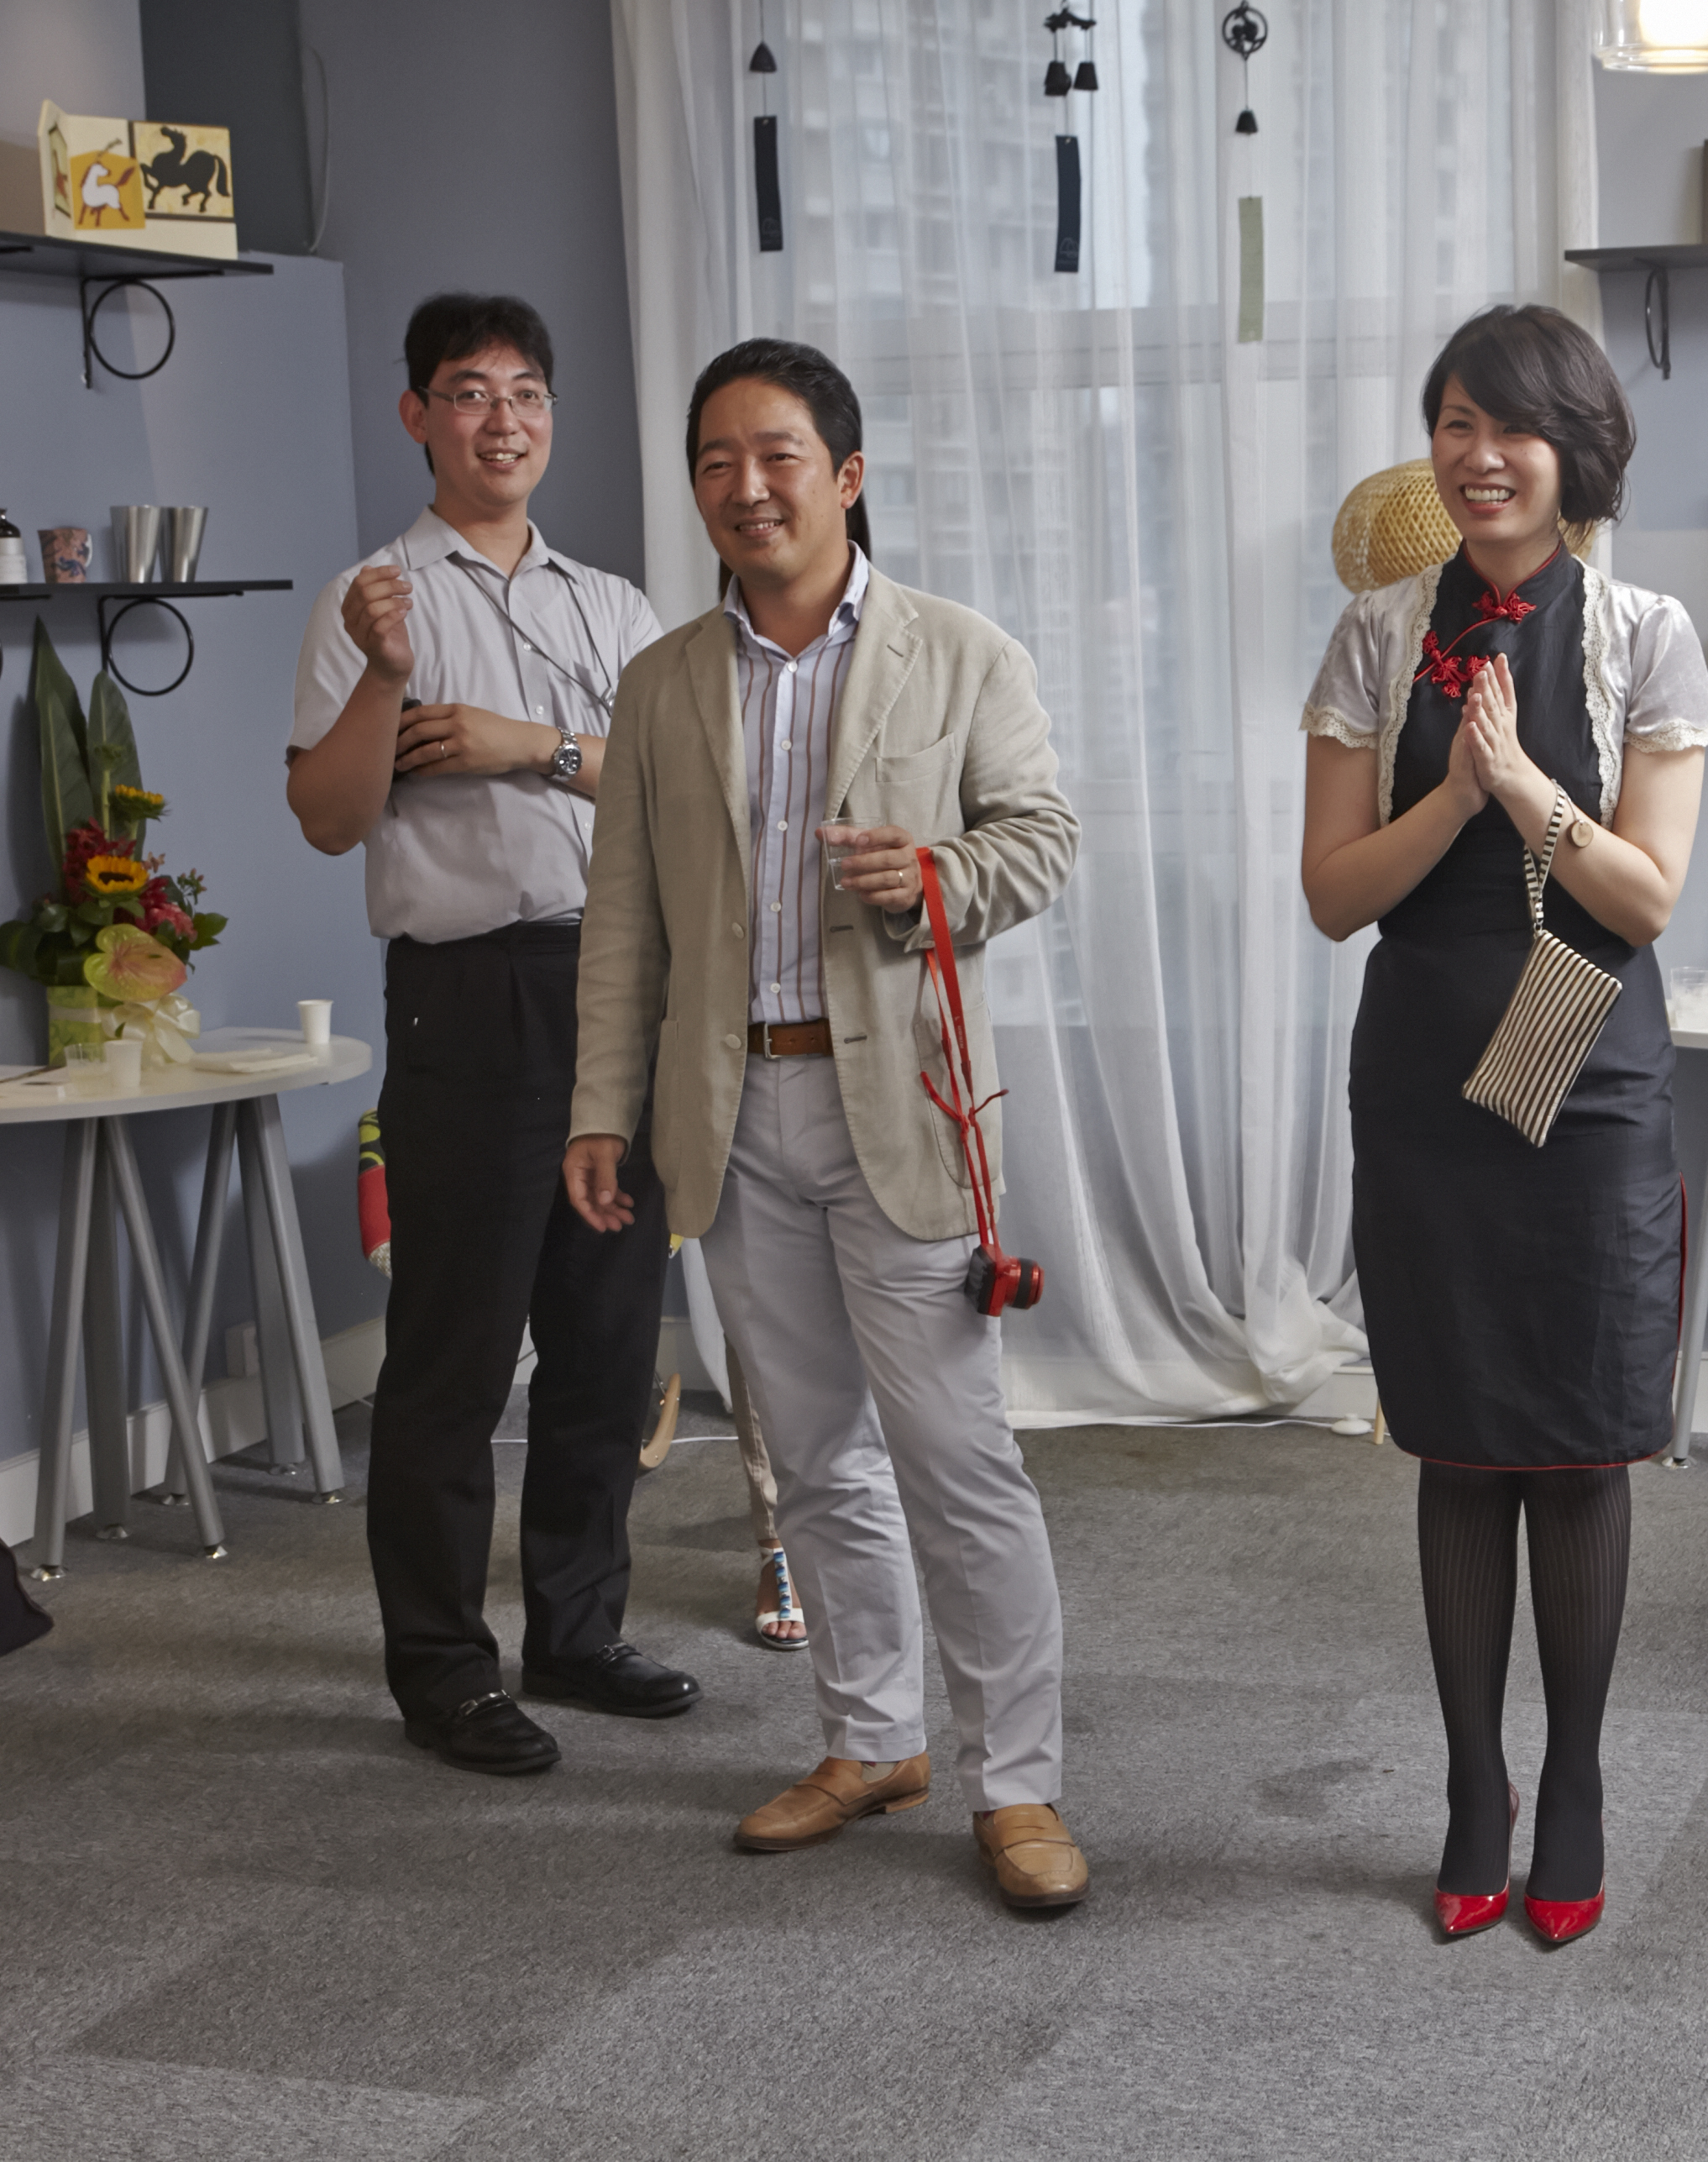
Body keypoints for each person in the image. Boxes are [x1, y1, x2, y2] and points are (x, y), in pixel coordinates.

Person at [562, 338, 1087, 1910]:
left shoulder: (959, 652)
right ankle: (871, 1738)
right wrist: (601, 1109)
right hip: (728, 1116)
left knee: (957, 1458)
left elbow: (1041, 838)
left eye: (777, 454)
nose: (746, 485)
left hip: (898, 1112)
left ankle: (1018, 1782)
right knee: (810, 1457)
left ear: (846, 476)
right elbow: (624, 924)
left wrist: (933, 878)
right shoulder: (662, 682)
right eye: (715, 460)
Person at [1299, 305, 1708, 1947]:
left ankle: (1579, 1782)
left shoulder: (1649, 635)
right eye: (1452, 423)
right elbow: (1335, 894)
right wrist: (1456, 798)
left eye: (1510, 426)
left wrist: (1531, 791)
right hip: (1423, 1073)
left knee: (1581, 1439)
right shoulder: (1372, 633)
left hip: (1589, 1077)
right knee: (1461, 1441)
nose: (1477, 456)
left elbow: (1648, 897)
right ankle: (1475, 1787)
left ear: (1574, 449)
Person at [289, 292, 736, 1773]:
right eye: (471, 391)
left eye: (527, 392)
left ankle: (578, 1629)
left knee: (605, 1339)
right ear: (416, 415)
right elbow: (329, 818)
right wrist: (387, 676)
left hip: (620, 985)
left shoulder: (611, 605)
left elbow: (684, 787)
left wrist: (522, 746)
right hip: (470, 995)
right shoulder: (370, 599)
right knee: (458, 1351)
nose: (504, 420)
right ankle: (442, 1667)